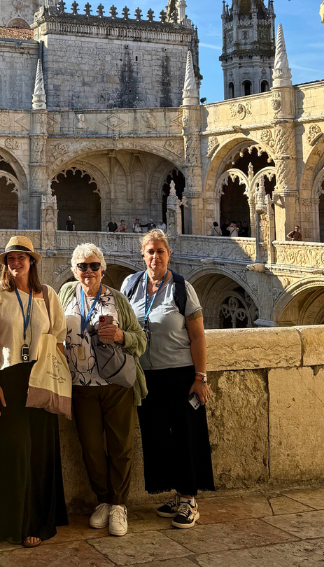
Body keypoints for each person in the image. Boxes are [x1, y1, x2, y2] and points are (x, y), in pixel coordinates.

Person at [0, 235, 68, 547]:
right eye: (11, 259)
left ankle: (38, 524)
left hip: (40, 375)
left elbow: (57, 341)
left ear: (32, 262)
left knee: (40, 452)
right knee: (14, 452)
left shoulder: (47, 294)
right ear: (6, 263)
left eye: (22, 258)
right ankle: (12, 524)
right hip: (9, 377)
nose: (16, 263)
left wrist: (58, 382)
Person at [122, 230, 214, 529]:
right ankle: (176, 493)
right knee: (158, 437)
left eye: (160, 251)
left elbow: (198, 335)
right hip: (145, 376)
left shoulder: (181, 287)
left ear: (169, 254)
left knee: (186, 435)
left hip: (180, 375)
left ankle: (189, 499)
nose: (155, 256)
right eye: (150, 251)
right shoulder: (131, 284)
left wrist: (200, 377)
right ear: (142, 255)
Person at [60, 244, 147, 538]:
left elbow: (141, 339)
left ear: (102, 268)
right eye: (82, 266)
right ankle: (103, 500)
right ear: (74, 270)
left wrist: (122, 335)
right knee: (92, 449)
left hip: (116, 385)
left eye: (94, 266)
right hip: (80, 387)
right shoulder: (66, 296)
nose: (88, 272)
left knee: (120, 447)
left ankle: (119, 505)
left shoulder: (117, 299)